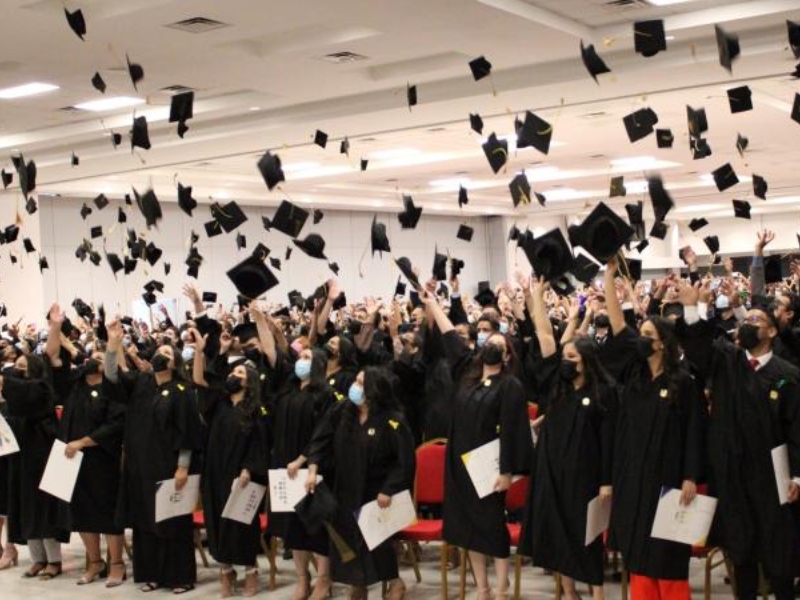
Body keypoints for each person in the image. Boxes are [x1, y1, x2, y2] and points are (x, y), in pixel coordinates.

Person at [675, 275, 800, 600]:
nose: (749, 323)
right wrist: (693, 308)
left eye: (757, 321)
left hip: (772, 480)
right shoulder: (727, 361)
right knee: (740, 555)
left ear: (772, 332)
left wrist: (798, 475)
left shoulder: (787, 375)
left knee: (779, 561)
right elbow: (699, 347)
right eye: (748, 319)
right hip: (731, 477)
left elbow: (797, 430)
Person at [602, 258, 705, 600]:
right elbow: (617, 322)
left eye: (648, 335)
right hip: (633, 478)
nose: (640, 340)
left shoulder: (682, 382)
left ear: (662, 343)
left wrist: (691, 475)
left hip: (668, 479)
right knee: (638, 553)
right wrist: (609, 276)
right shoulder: (633, 378)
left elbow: (693, 431)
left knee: (666, 555)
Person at [422, 284, 532, 600]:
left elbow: (514, 431)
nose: (492, 346)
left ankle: (501, 586)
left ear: (507, 354)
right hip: (459, 464)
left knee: (491, 528)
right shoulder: (467, 373)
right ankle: (481, 587)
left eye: (499, 344)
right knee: (466, 528)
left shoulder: (509, 385)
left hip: (488, 469)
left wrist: (508, 472)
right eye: (488, 342)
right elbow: (450, 337)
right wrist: (433, 305)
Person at [519, 277, 616, 600]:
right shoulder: (556, 387)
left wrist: (606, 481)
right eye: (566, 356)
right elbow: (545, 334)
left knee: (584, 539)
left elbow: (607, 441)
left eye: (573, 357)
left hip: (584, 476)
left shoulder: (602, 394)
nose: (567, 361)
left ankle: (597, 594)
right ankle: (570, 593)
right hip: (551, 471)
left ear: (587, 361)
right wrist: (536, 296)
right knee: (556, 536)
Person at [104, 319, 203, 594]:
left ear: (174, 363)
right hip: (140, 465)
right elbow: (112, 378)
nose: (162, 355)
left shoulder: (182, 391)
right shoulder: (142, 383)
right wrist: (113, 343)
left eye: (168, 353)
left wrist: (183, 466)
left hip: (168, 466)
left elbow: (188, 432)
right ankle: (151, 573)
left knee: (171, 521)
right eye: (160, 351)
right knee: (144, 520)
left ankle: (179, 576)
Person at [305, 366, 416, 600]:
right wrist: (313, 467)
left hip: (377, 493)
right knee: (346, 540)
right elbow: (320, 440)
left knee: (376, 543)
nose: (354, 387)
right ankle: (357, 584)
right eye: (355, 380)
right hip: (345, 486)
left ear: (374, 390)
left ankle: (395, 581)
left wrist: (389, 489)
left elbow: (404, 461)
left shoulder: (393, 420)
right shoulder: (341, 411)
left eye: (361, 383)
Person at [47, 304, 126, 586]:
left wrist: (83, 442)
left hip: (102, 459)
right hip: (70, 459)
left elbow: (116, 424)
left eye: (99, 355)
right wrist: (55, 326)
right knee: (80, 512)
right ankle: (95, 562)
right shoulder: (74, 383)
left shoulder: (112, 387)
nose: (93, 358)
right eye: (90, 354)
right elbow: (54, 356)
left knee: (106, 512)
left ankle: (117, 564)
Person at [191, 326, 268, 598]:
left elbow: (259, 445)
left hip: (242, 476)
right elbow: (200, 378)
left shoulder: (254, 410)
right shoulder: (219, 403)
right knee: (217, 522)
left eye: (241, 373)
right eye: (234, 372)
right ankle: (226, 571)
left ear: (250, 382)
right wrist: (208, 351)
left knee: (241, 526)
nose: (235, 376)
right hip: (214, 472)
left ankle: (250, 571)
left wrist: (249, 469)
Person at [270, 340, 335, 600]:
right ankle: (302, 579)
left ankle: (324, 580)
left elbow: (324, 433)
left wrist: (302, 459)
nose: (301, 361)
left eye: (307, 357)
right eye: (301, 356)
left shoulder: (325, 395)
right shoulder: (288, 392)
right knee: (292, 529)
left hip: (311, 467)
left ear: (318, 364)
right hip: (285, 467)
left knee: (315, 527)